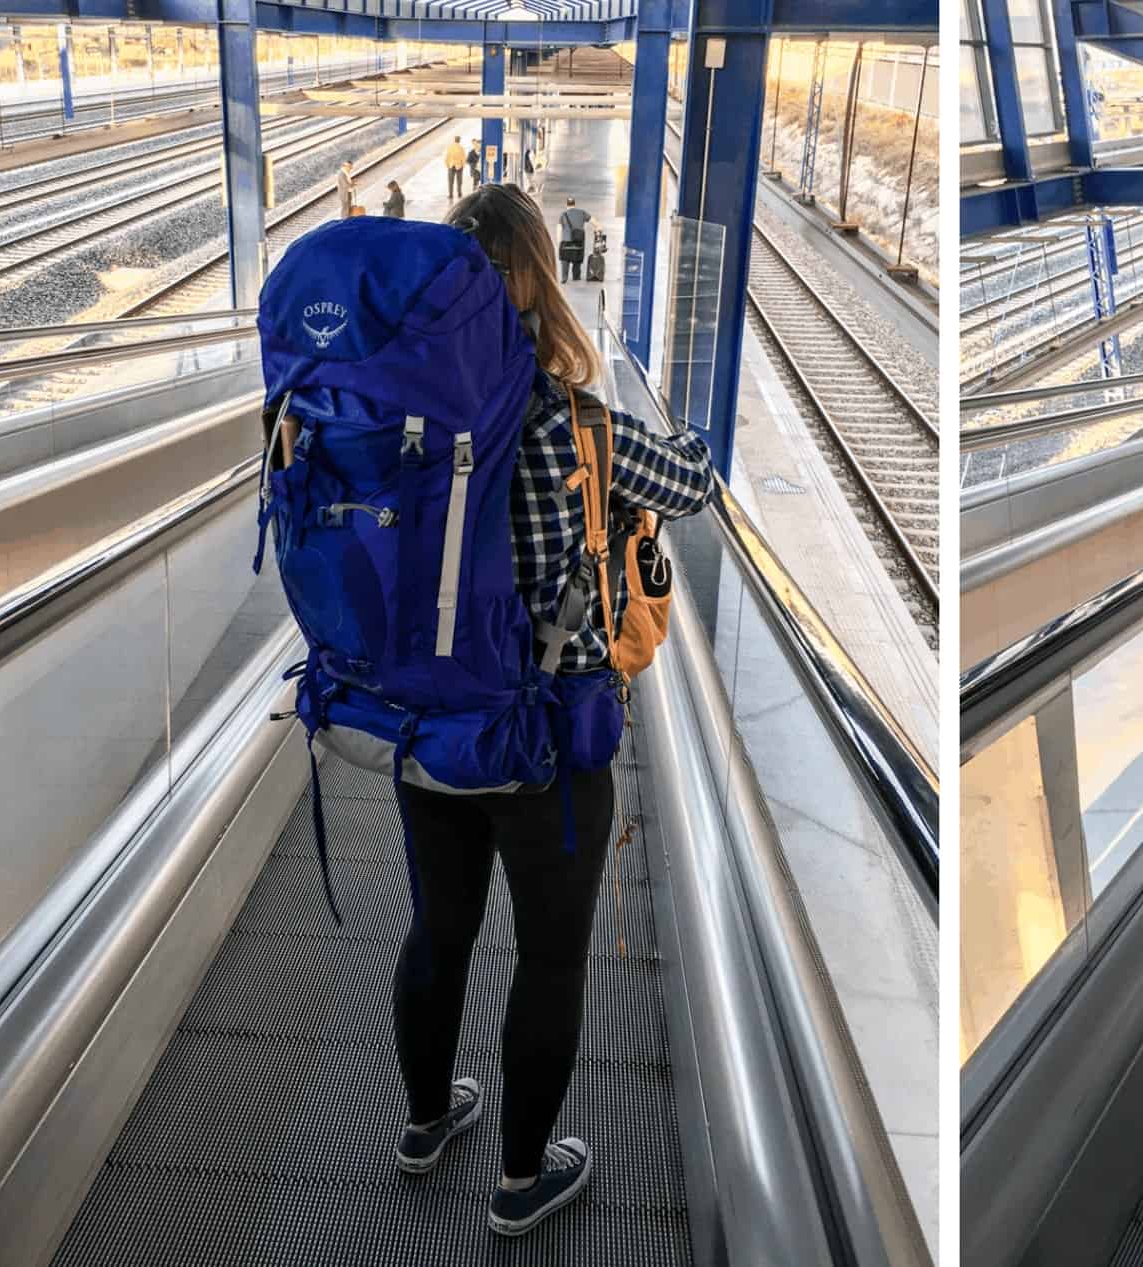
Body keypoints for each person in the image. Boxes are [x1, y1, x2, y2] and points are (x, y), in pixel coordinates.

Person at [392, 182, 713, 1237]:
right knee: (550, 956)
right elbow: (697, 484)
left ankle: (427, 1121)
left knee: (438, 934)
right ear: (540, 285)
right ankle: (523, 1180)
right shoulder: (577, 426)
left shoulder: (399, 423)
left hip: (430, 733)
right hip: (547, 746)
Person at [557, 197, 592, 284]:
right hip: (578, 242)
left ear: (567, 205)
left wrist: (558, 242)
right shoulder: (582, 212)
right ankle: (576, 276)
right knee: (577, 260)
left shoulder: (563, 215)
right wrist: (598, 227)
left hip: (566, 242)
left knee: (564, 260)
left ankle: (564, 277)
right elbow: (593, 221)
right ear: (574, 204)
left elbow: (559, 229)